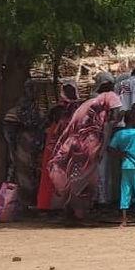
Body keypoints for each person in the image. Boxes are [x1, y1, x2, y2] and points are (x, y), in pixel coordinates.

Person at [46, 75, 122, 225]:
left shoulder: (89, 102)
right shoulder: (109, 98)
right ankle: (80, 215)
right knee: (85, 180)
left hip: (73, 144)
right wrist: (102, 149)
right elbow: (107, 124)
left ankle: (69, 213)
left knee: (72, 178)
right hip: (87, 147)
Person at [36, 80, 81, 211]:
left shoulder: (78, 108)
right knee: (50, 173)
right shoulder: (58, 109)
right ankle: (46, 205)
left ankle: (64, 206)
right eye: (68, 90)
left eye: (72, 90)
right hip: (56, 144)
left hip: (70, 144)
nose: (70, 93)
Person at [3, 79, 42, 207]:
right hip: (23, 145)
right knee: (22, 173)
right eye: (35, 90)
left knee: (31, 173)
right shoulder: (21, 109)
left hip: (33, 145)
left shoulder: (34, 108)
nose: (37, 93)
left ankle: (29, 203)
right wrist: (13, 146)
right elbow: (10, 128)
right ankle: (22, 203)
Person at [109, 110, 135, 227]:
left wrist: (120, 154)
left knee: (125, 192)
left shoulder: (119, 134)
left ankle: (124, 221)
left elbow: (111, 148)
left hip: (125, 165)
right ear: (134, 120)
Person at [93, 71, 119, 207]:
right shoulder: (95, 98)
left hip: (109, 135)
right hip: (98, 136)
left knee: (109, 169)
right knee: (100, 168)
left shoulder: (110, 97)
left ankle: (108, 197)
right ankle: (101, 199)